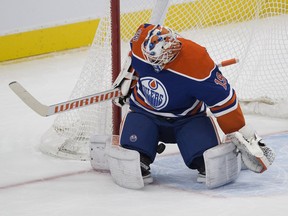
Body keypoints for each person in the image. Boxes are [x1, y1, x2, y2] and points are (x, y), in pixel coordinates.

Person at [111, 23, 275, 187]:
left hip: (187, 118)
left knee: (209, 162)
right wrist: (127, 80)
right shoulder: (139, 42)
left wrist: (241, 132)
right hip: (144, 113)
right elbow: (133, 60)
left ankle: (213, 155)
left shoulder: (197, 60)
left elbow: (223, 100)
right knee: (132, 159)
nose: (158, 64)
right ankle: (141, 153)